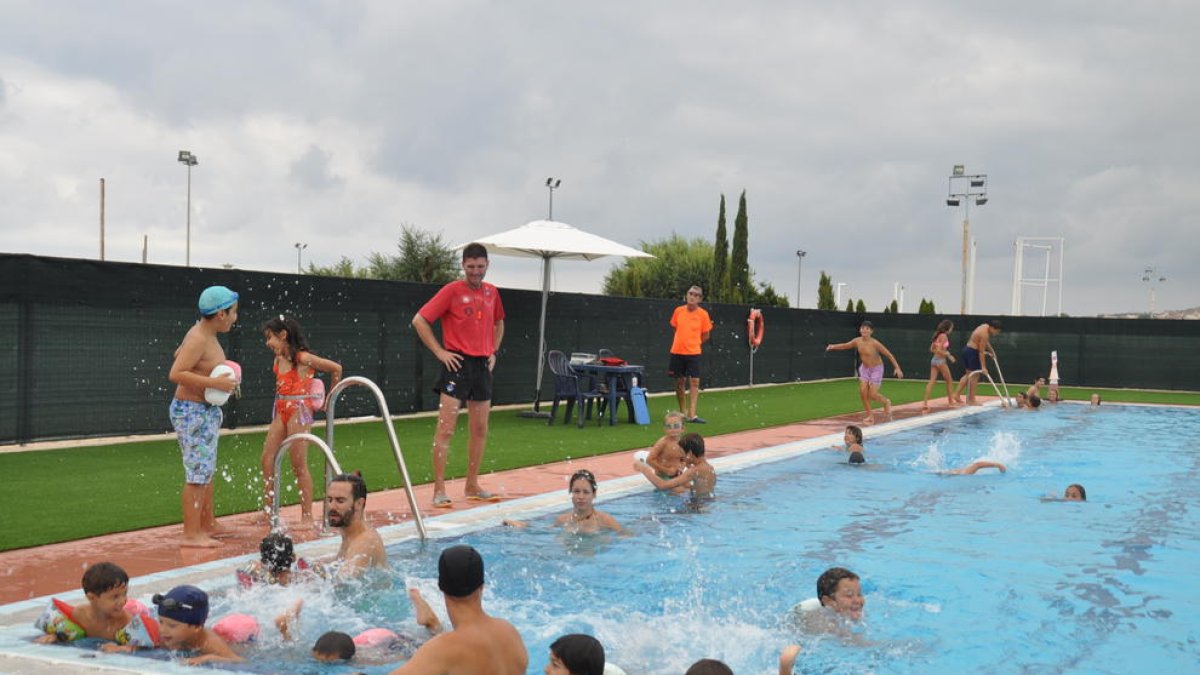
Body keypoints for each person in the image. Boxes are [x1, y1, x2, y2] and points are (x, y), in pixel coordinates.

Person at [412, 242, 506, 508]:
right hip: (456, 365)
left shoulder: (492, 293)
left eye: (480, 267)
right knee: (446, 430)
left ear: (487, 265)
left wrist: (494, 351)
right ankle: (439, 489)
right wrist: (440, 352)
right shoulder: (452, 290)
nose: (475, 272)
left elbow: (499, 322)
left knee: (479, 429)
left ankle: (472, 484)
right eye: (470, 267)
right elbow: (419, 320)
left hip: (482, 367)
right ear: (463, 266)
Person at [167, 285, 239, 548]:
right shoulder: (199, 337)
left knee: (206, 469)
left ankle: (208, 523)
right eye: (233, 313)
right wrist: (214, 383)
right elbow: (176, 373)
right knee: (198, 473)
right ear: (221, 313)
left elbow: (180, 355)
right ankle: (191, 534)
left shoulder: (202, 334)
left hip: (203, 411)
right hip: (192, 412)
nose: (235, 318)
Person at [388, 545, 528, 674]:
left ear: (441, 587)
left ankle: (433, 625)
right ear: (482, 587)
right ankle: (433, 625)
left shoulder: (443, 649)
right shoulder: (510, 632)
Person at [259, 315, 342, 527]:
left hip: (299, 411)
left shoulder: (303, 358)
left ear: (283, 335)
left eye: (270, 337)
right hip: (281, 410)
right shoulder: (278, 360)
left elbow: (336, 368)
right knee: (267, 459)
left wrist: (329, 400)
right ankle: (269, 510)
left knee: (298, 464)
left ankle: (307, 516)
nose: (268, 343)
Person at [34, 562, 138, 644]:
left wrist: (121, 649)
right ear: (92, 598)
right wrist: (55, 637)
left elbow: (139, 644)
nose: (123, 601)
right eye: (115, 597)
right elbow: (68, 632)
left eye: (124, 594)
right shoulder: (80, 614)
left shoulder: (125, 621)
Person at [825, 320, 904, 424]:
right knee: (863, 392)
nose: (864, 330)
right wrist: (833, 346)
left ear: (871, 331)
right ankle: (870, 416)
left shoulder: (875, 343)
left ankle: (886, 402)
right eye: (862, 328)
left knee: (872, 395)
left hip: (877, 369)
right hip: (865, 369)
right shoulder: (857, 341)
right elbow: (845, 345)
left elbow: (889, 354)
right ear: (860, 330)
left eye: (867, 329)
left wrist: (897, 368)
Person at [505, 469, 623, 534]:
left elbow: (625, 536)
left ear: (594, 494)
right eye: (576, 491)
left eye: (586, 492)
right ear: (570, 493)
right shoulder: (562, 520)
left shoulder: (604, 520)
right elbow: (542, 531)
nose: (580, 496)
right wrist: (522, 525)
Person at [151, 585, 242, 666]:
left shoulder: (209, 643)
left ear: (196, 627)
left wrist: (208, 658)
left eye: (172, 626)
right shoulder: (168, 637)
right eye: (161, 622)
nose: (162, 630)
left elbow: (238, 660)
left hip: (235, 640)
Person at [327, 472, 387, 578]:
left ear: (359, 504)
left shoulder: (365, 542)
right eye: (330, 500)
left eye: (340, 501)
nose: (332, 506)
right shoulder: (352, 535)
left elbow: (342, 585)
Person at [668, 285, 713, 424]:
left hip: (693, 352)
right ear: (686, 295)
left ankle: (692, 414)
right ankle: (683, 412)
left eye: (695, 295)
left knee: (694, 382)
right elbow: (676, 327)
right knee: (679, 382)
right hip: (677, 351)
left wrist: (694, 343)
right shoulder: (678, 311)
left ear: (700, 299)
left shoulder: (703, 314)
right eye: (690, 293)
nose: (692, 296)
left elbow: (706, 335)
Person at [634, 432, 716, 499]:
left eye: (681, 452)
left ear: (690, 453)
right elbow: (698, 487)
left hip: (696, 508)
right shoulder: (709, 468)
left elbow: (662, 485)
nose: (681, 456)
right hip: (707, 504)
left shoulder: (693, 471)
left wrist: (644, 469)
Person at [953, 320, 1002, 406]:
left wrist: (992, 351)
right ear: (992, 328)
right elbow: (981, 352)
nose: (996, 333)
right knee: (975, 376)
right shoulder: (985, 334)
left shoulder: (984, 326)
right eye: (996, 331)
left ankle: (956, 394)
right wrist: (983, 367)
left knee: (968, 375)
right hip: (972, 352)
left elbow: (985, 343)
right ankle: (972, 400)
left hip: (966, 350)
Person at [921, 319, 959, 413]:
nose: (952, 329)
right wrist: (948, 355)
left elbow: (931, 349)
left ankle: (925, 403)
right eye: (951, 328)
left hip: (934, 361)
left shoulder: (937, 335)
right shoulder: (944, 336)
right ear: (948, 328)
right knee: (949, 381)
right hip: (940, 361)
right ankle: (951, 402)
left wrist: (944, 353)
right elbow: (938, 350)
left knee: (932, 381)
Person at [645, 411, 687, 479]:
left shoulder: (683, 442)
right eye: (669, 426)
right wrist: (666, 471)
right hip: (663, 476)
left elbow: (684, 459)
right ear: (665, 429)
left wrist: (682, 467)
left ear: (682, 429)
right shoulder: (663, 443)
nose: (672, 429)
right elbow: (649, 460)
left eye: (676, 426)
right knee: (679, 489)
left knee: (691, 486)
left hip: (677, 474)